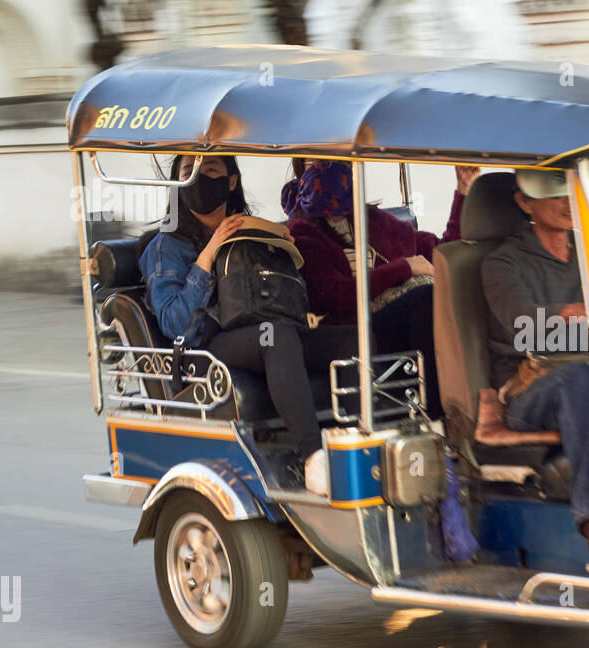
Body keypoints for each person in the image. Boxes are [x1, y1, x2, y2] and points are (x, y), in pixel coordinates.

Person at [138, 154, 356, 496]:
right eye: (188, 171)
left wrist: (281, 250)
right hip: (207, 346)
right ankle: (314, 456)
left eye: (209, 170)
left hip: (265, 330)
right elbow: (174, 324)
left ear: (231, 181)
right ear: (178, 183)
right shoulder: (166, 246)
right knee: (277, 337)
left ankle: (359, 438)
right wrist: (209, 253)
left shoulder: (251, 231)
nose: (198, 178)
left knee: (353, 341)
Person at [283, 160, 478, 415]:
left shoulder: (379, 222)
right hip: (357, 333)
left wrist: (463, 191)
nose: (325, 169)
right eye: (315, 163)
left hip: (413, 319)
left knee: (446, 297)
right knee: (426, 299)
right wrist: (403, 268)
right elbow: (333, 295)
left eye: (333, 161)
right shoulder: (301, 232)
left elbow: (444, 252)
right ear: (302, 174)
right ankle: (436, 416)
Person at [480, 169, 589, 560]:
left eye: (570, 191)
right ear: (524, 202)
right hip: (529, 388)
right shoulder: (503, 262)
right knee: (579, 379)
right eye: (552, 193)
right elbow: (524, 330)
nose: (566, 201)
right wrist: (572, 315)